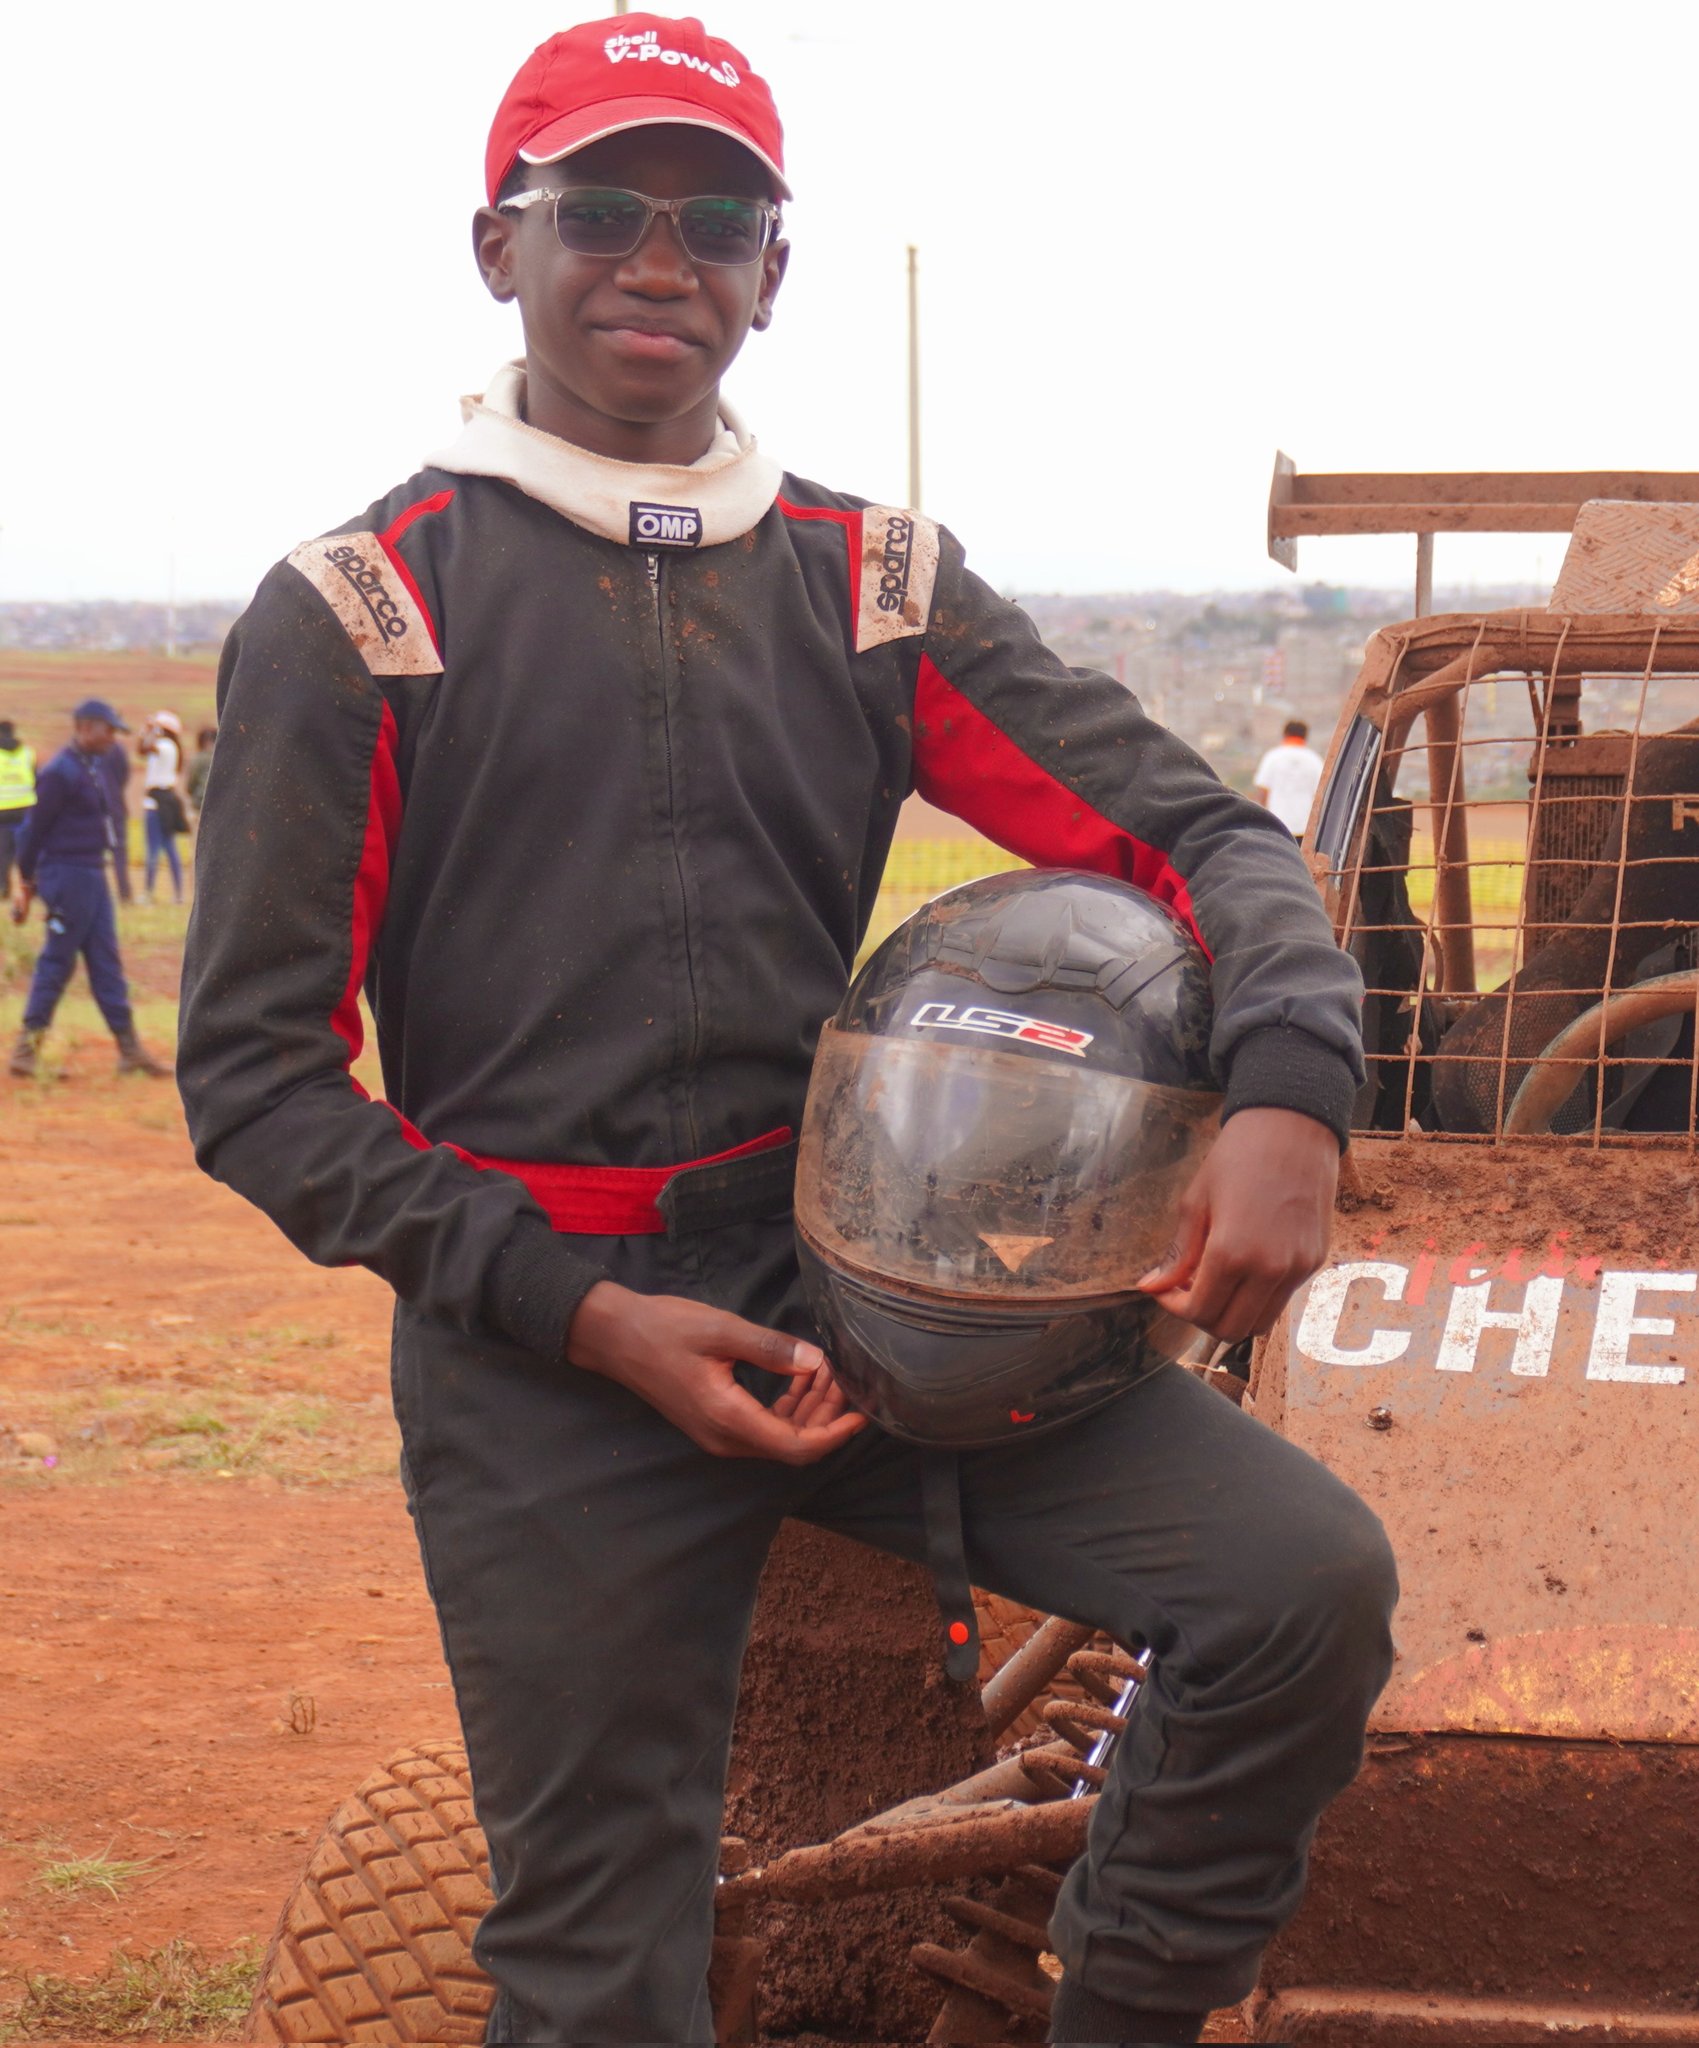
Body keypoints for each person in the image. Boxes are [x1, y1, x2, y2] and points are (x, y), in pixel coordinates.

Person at [178, 20, 1396, 2045]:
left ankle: (1117, 2009)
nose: (660, 260)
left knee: (1295, 1583)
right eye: (601, 211)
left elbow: (1196, 832)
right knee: (600, 1966)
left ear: (773, 269)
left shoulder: (868, 584)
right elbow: (257, 1081)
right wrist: (582, 1314)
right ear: (498, 248)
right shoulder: (366, 610)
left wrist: (1289, 1088)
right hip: (547, 1357)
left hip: (878, 1305)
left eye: (717, 220)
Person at [9, 700, 169, 1079]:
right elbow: (32, 832)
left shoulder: (93, 765)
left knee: (106, 962)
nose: (113, 738)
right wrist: (27, 881)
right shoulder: (60, 772)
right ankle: (25, 1051)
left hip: (92, 875)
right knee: (57, 961)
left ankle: (129, 1050)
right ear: (84, 727)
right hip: (66, 877)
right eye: (107, 730)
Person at [139, 711, 188, 903]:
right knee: (169, 847)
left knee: (153, 849)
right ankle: (178, 894)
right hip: (167, 801)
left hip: (156, 802)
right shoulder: (172, 747)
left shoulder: (165, 746)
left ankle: (148, 893)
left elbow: (143, 749)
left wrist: (148, 731)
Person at [1253, 717, 1327, 839]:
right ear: (1305, 736)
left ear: (1285, 734)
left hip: (1277, 825)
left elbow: (1263, 791)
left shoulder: (1272, 757)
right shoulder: (1315, 760)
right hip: (1305, 828)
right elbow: (1321, 795)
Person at [96, 725, 134, 903]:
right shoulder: (118, 749)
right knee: (119, 850)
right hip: (114, 804)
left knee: (94, 850)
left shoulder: (92, 749)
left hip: (96, 805)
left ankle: (100, 892)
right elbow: (124, 774)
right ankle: (124, 892)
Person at [0, 719, 35, 894]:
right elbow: (36, 779)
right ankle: (31, 887)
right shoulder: (27, 753)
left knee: (2, 851)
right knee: (27, 850)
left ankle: (2, 888)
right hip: (25, 809)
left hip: (2, 811)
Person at [185, 726, 217, 819]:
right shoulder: (223, 758)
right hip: (220, 801)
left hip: (200, 801)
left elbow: (191, 783)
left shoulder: (198, 758)